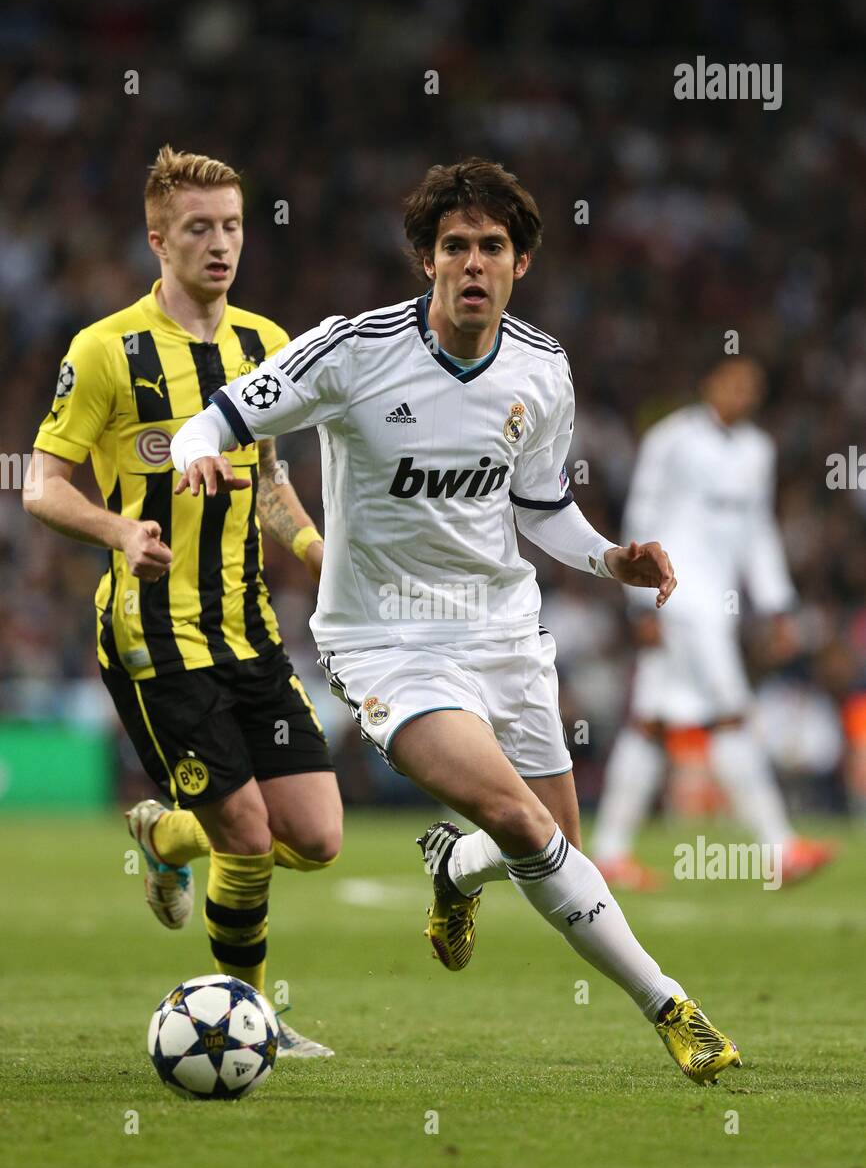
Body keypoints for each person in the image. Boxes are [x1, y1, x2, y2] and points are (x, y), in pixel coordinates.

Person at [170, 156, 741, 1085]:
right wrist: (198, 455)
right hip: (386, 640)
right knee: (520, 817)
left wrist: (610, 558)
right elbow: (219, 417)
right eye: (454, 247)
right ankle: (670, 1004)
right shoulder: (352, 351)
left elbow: (540, 503)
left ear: (521, 265)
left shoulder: (543, 368)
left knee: (552, 838)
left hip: (505, 631)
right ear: (425, 261)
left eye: (492, 247)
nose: (473, 263)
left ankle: (453, 872)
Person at [24, 145, 342, 1058]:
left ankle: (164, 837)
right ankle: (250, 1021)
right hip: (152, 634)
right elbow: (42, 485)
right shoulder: (106, 350)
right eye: (199, 228)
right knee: (244, 834)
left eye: (233, 226)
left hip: (250, 632)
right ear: (157, 238)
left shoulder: (268, 345)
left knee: (316, 837)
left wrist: (318, 551)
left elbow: (273, 481)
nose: (220, 244)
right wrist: (123, 533)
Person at [593, 357, 836, 890]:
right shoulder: (671, 439)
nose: (743, 393)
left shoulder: (758, 450)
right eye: (734, 383)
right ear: (708, 383)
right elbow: (642, 514)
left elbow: (758, 533)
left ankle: (609, 851)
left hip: (718, 607)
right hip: (676, 599)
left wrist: (777, 605)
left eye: (752, 386)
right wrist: (638, 601)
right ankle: (779, 847)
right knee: (730, 714)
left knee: (651, 723)